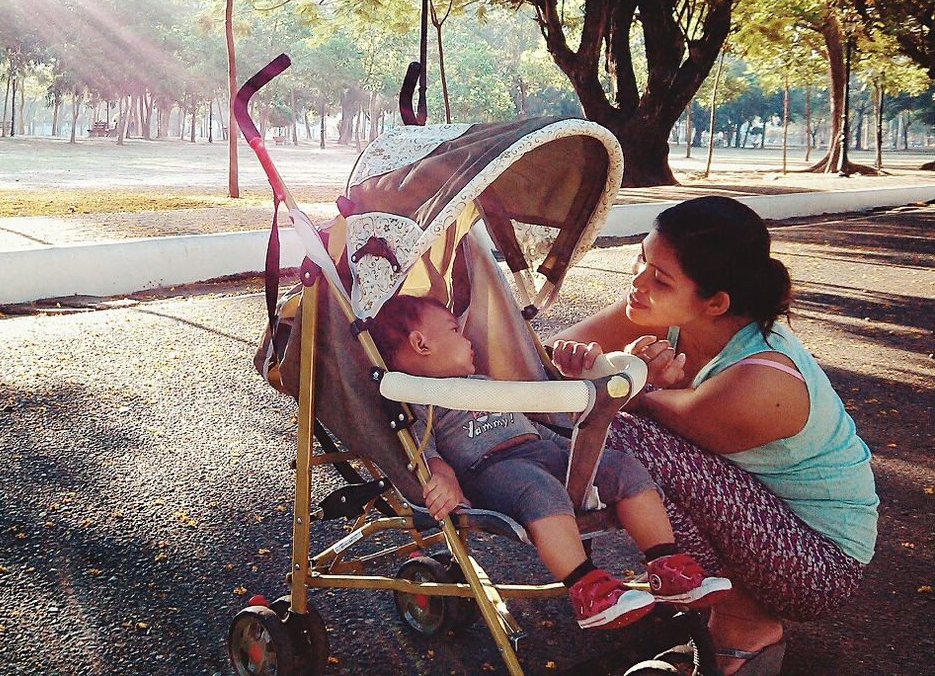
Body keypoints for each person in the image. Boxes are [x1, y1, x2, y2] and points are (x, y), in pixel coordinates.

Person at [550, 196, 878, 676]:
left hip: (818, 563)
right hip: (760, 518)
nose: (638, 283)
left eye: (660, 278)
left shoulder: (763, 380)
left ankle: (745, 620)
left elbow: (630, 412)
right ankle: (711, 595)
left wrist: (628, 383)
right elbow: (551, 365)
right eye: (642, 259)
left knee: (621, 437)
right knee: (604, 428)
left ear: (716, 303)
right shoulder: (664, 311)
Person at [374, 293, 731, 632]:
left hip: (541, 448)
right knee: (539, 488)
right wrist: (443, 474)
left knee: (622, 467)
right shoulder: (418, 401)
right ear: (422, 344)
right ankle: (586, 588)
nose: (467, 338)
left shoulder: (481, 382)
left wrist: (574, 450)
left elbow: (528, 425)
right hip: (493, 469)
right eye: (455, 330)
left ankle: (666, 564)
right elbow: (423, 448)